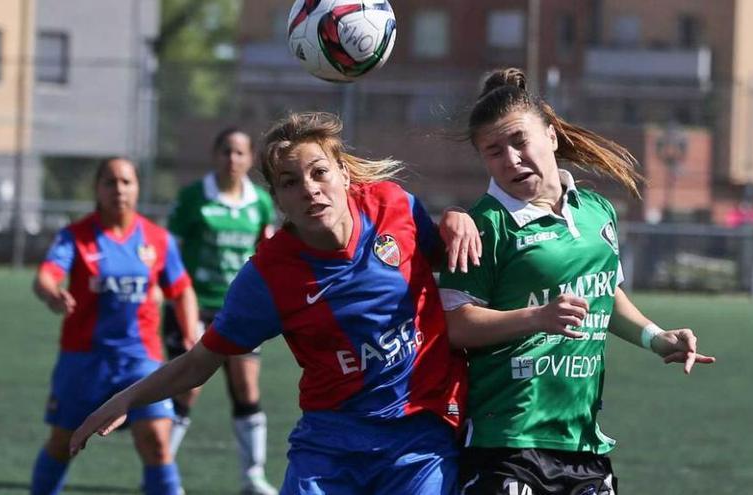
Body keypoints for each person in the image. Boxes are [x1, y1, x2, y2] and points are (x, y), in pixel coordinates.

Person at [70, 112, 480, 495]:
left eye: (319, 172)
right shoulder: (268, 276)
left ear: (343, 173)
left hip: (418, 441)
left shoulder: (394, 206)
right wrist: (124, 398)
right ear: (278, 201)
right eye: (290, 182)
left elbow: (451, 263)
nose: (309, 189)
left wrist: (456, 216)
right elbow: (199, 363)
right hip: (330, 449)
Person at [438, 68, 716, 495]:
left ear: (550, 135)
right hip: (508, 441)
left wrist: (656, 337)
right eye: (494, 151)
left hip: (582, 438)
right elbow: (454, 325)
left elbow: (605, 295)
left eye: (519, 141)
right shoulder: (484, 226)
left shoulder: (597, 211)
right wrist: (536, 317)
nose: (510, 159)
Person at [31, 157, 199, 495]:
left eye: (126, 182)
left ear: (137, 188)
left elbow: (181, 290)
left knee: (156, 443)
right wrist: (53, 294)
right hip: (84, 360)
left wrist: (190, 332)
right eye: (110, 182)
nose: (118, 189)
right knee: (63, 442)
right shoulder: (76, 237)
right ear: (97, 189)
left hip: (140, 359)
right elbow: (45, 277)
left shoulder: (157, 239)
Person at [163, 127, 278, 495]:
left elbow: (268, 254)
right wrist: (179, 303)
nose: (232, 159)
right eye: (226, 151)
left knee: (246, 388)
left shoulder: (259, 202)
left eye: (240, 153)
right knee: (186, 389)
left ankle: (253, 477)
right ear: (214, 156)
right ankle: (161, 472)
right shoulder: (193, 198)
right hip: (194, 306)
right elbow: (171, 255)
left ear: (250, 159)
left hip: (239, 309)